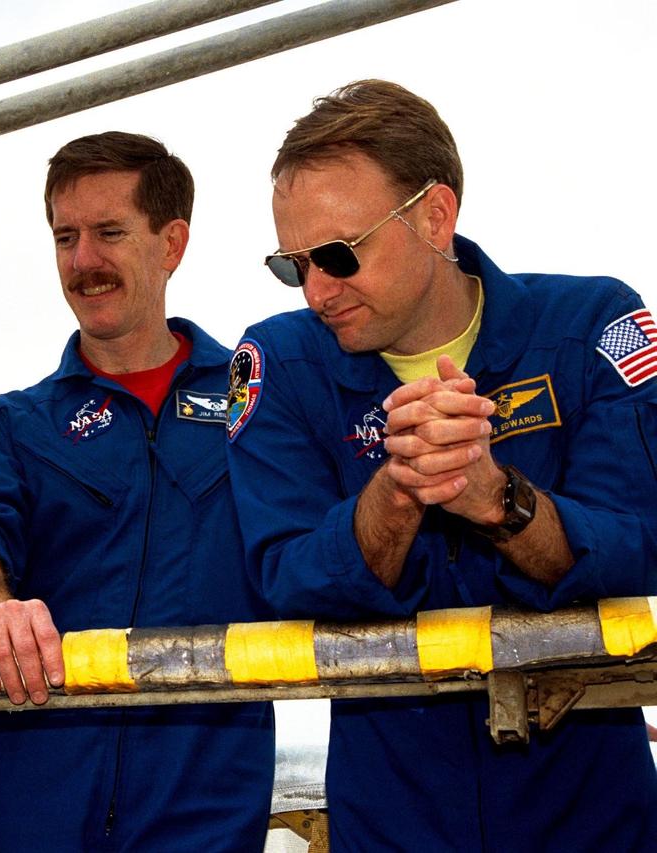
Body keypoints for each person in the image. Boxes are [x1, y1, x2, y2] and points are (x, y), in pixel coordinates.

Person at [227, 79, 657, 850]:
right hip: (393, 820)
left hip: (591, 816)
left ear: (434, 215)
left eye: (339, 254)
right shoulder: (278, 363)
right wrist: (394, 495)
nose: (318, 290)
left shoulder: (595, 325)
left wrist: (497, 499)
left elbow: (639, 543)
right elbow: (282, 578)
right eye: (294, 266)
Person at [0, 132, 274, 852]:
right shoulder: (12, 423)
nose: (83, 261)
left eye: (109, 233)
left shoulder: (259, 401)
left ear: (171, 243)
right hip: (29, 813)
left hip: (204, 813)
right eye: (65, 237)